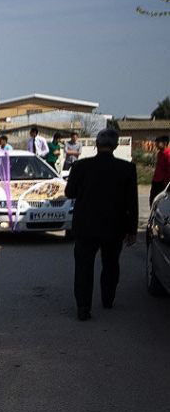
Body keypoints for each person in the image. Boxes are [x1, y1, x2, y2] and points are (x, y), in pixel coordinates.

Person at [65, 128, 137, 321]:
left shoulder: (80, 166)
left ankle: (83, 307)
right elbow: (132, 202)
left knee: (83, 267)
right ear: (115, 146)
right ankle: (107, 299)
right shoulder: (127, 168)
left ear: (96, 145)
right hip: (114, 226)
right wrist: (132, 230)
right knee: (111, 264)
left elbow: (69, 192)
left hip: (85, 225)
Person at [151, 135, 170, 206]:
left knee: (161, 202)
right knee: (153, 200)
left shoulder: (168, 154)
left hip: (163, 183)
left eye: (158, 143)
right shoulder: (160, 154)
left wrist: (166, 183)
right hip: (156, 181)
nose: (156, 145)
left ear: (165, 143)